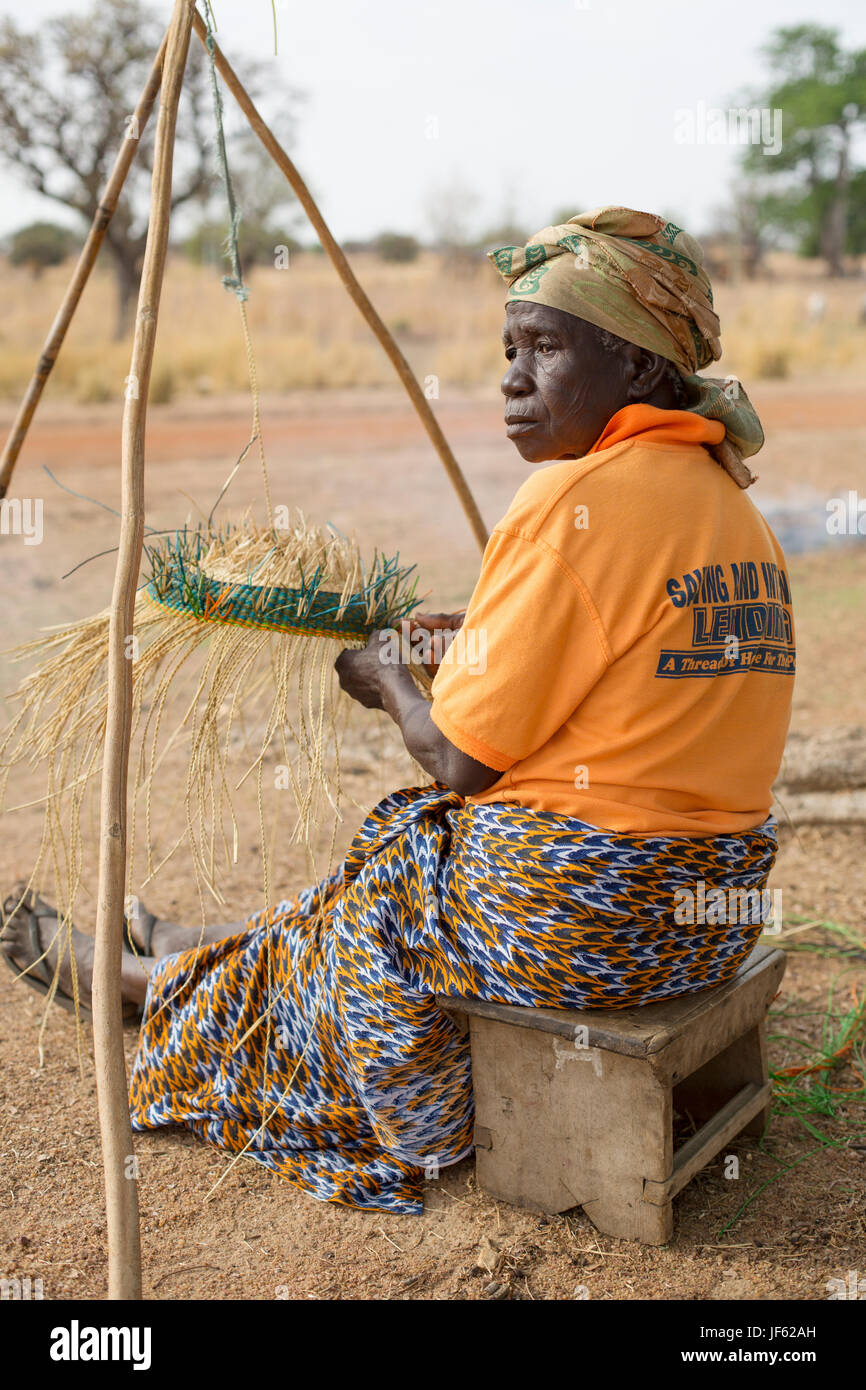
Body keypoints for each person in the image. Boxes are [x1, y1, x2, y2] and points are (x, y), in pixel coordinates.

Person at [1, 206, 794, 1214]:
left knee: (399, 866)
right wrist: (474, 631)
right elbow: (635, 664)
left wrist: (391, 681)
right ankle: (207, 942)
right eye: (508, 348)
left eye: (544, 348)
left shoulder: (571, 502)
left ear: (638, 369)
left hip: (584, 918)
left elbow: (459, 760)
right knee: (406, 872)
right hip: (703, 914)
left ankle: (156, 987)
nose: (510, 375)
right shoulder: (727, 502)